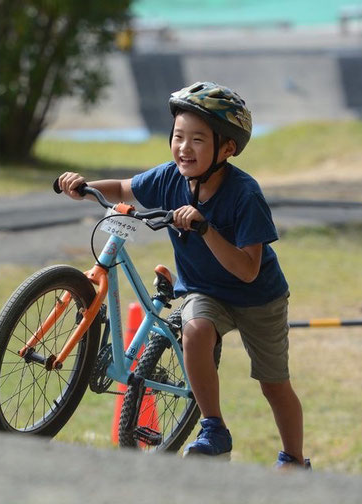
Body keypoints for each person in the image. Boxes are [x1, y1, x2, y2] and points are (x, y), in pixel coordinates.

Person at [57, 81, 310, 469]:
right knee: (195, 332)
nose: (184, 148)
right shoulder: (170, 177)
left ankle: (294, 459)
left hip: (259, 297)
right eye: (178, 137)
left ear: (227, 148)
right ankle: (213, 427)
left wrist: (206, 228)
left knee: (273, 384)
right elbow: (125, 188)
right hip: (204, 291)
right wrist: (85, 187)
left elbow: (247, 270)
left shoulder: (245, 195)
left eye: (198, 139)